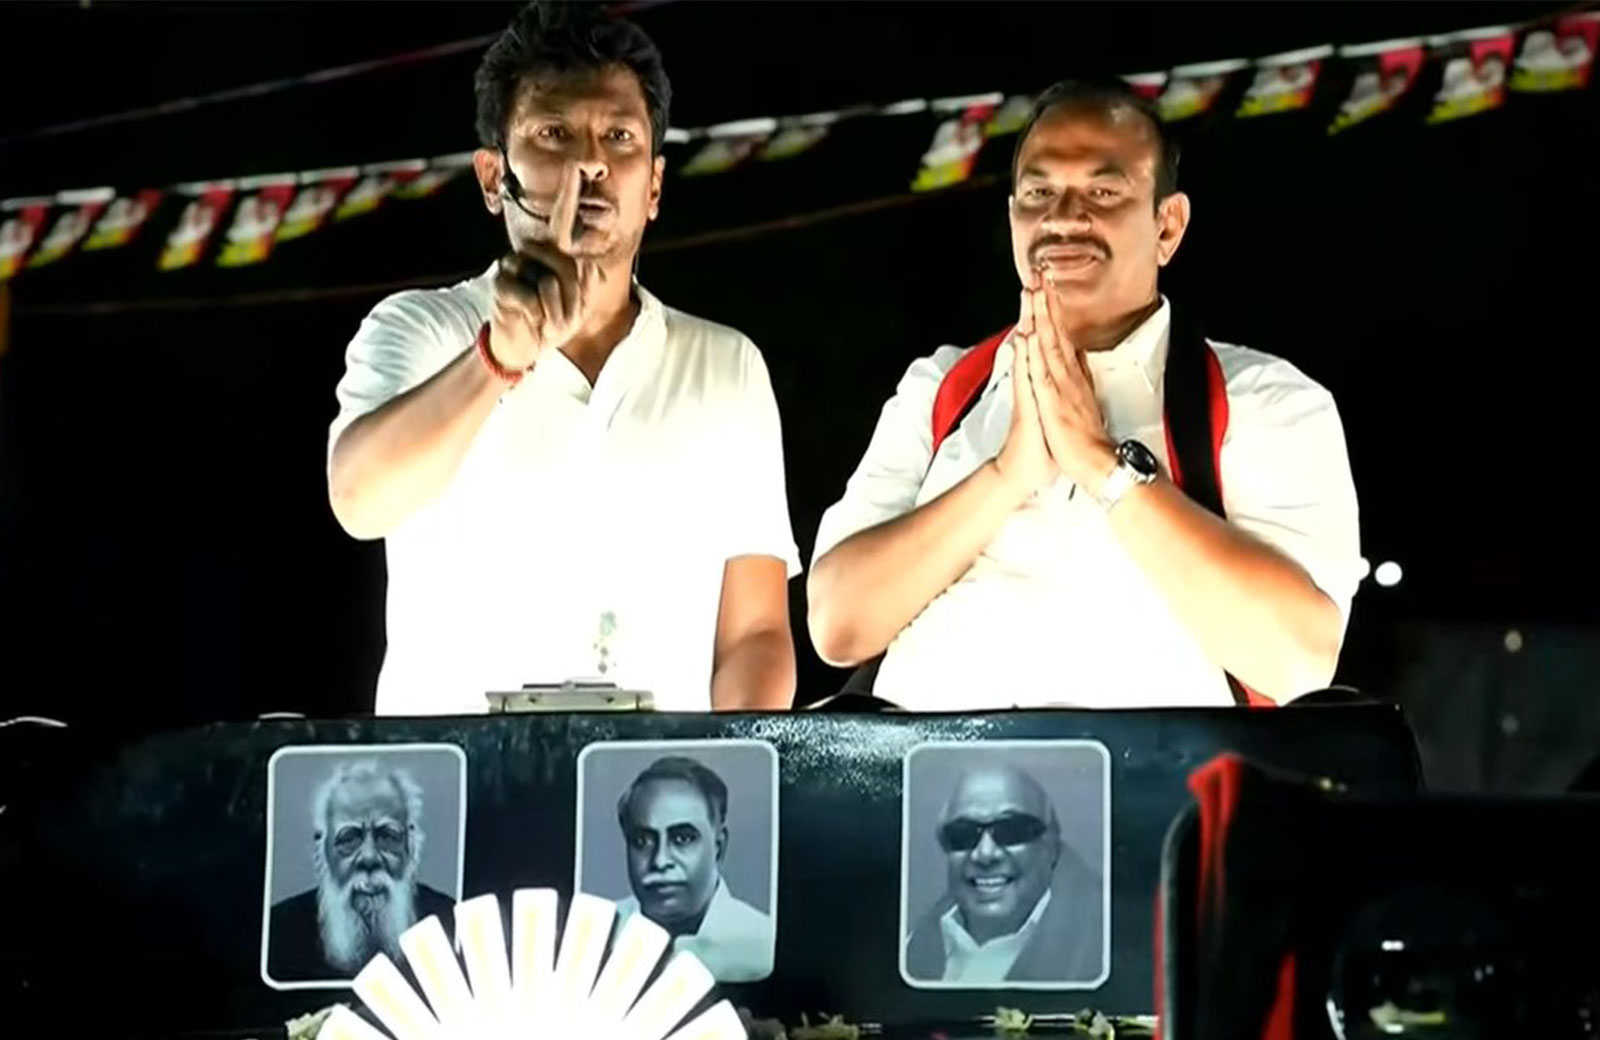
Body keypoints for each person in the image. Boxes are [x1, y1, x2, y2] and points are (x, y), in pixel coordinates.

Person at [808, 79, 1361, 710]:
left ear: (1167, 226)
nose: (1064, 218)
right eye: (1039, 193)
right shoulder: (943, 388)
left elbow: (1297, 662)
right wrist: (1007, 475)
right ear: (1013, 217)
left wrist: (1102, 465)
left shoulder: (1265, 401)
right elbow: (836, 626)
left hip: (1166, 773)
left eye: (1103, 192)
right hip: (932, 768)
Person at [327, 1, 799, 715]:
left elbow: (755, 633)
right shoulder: (420, 329)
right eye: (554, 134)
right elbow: (360, 501)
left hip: (653, 781)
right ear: (493, 177)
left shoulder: (726, 366)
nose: (591, 163)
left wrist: (728, 764)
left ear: (655, 186)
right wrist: (497, 359)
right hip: (458, 776)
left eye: (619, 137)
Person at [904, 762, 1104, 985]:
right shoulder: (911, 948)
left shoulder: (1110, 942)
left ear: (1050, 845)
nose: (985, 854)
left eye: (1010, 831)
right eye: (964, 834)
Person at [267, 758, 455, 982]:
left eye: (387, 835)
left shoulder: (450, 923)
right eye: (349, 838)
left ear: (411, 845)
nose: (369, 857)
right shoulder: (279, 934)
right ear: (322, 849)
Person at [612, 755, 773, 982]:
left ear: (719, 846)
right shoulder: (597, 937)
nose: (660, 861)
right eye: (642, 841)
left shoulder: (763, 942)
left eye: (682, 839)